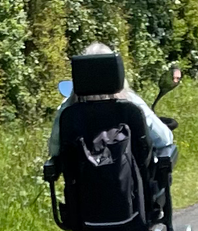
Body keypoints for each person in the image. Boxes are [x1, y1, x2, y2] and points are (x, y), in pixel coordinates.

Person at [42, 43, 178, 188]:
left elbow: (55, 150)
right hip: (136, 198)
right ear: (116, 72)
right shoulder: (131, 105)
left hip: (82, 202)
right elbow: (164, 139)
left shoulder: (68, 111)